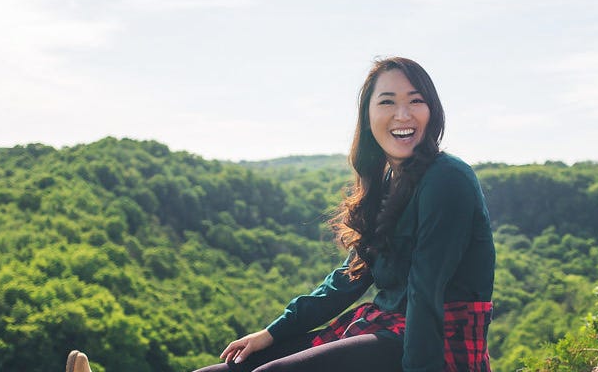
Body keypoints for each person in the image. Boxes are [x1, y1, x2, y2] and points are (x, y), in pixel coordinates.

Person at [66, 57, 496, 372]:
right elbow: (345, 282)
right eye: (387, 102)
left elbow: (426, 290)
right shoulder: (387, 184)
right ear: (368, 118)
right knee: (230, 369)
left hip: (436, 341)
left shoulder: (447, 179)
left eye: (415, 101)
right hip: (384, 328)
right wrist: (272, 334)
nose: (402, 114)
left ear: (431, 110)